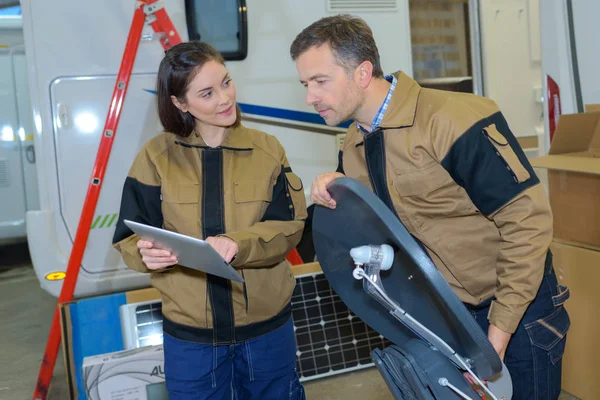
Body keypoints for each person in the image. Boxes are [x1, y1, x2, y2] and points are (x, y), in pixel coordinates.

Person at [290, 14, 570, 400]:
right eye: (305, 84)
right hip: (450, 318)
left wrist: (499, 332)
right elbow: (378, 224)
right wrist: (334, 184)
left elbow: (527, 222)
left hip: (516, 311)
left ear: (362, 72)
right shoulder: (353, 145)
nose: (310, 97)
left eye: (320, 81)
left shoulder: (450, 119)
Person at [112, 41, 307, 400]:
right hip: (191, 339)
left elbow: (290, 226)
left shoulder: (268, 150)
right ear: (179, 103)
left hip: (266, 332)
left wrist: (239, 244)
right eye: (207, 93)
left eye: (227, 82)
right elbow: (129, 233)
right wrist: (145, 254)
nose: (224, 98)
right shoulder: (155, 157)